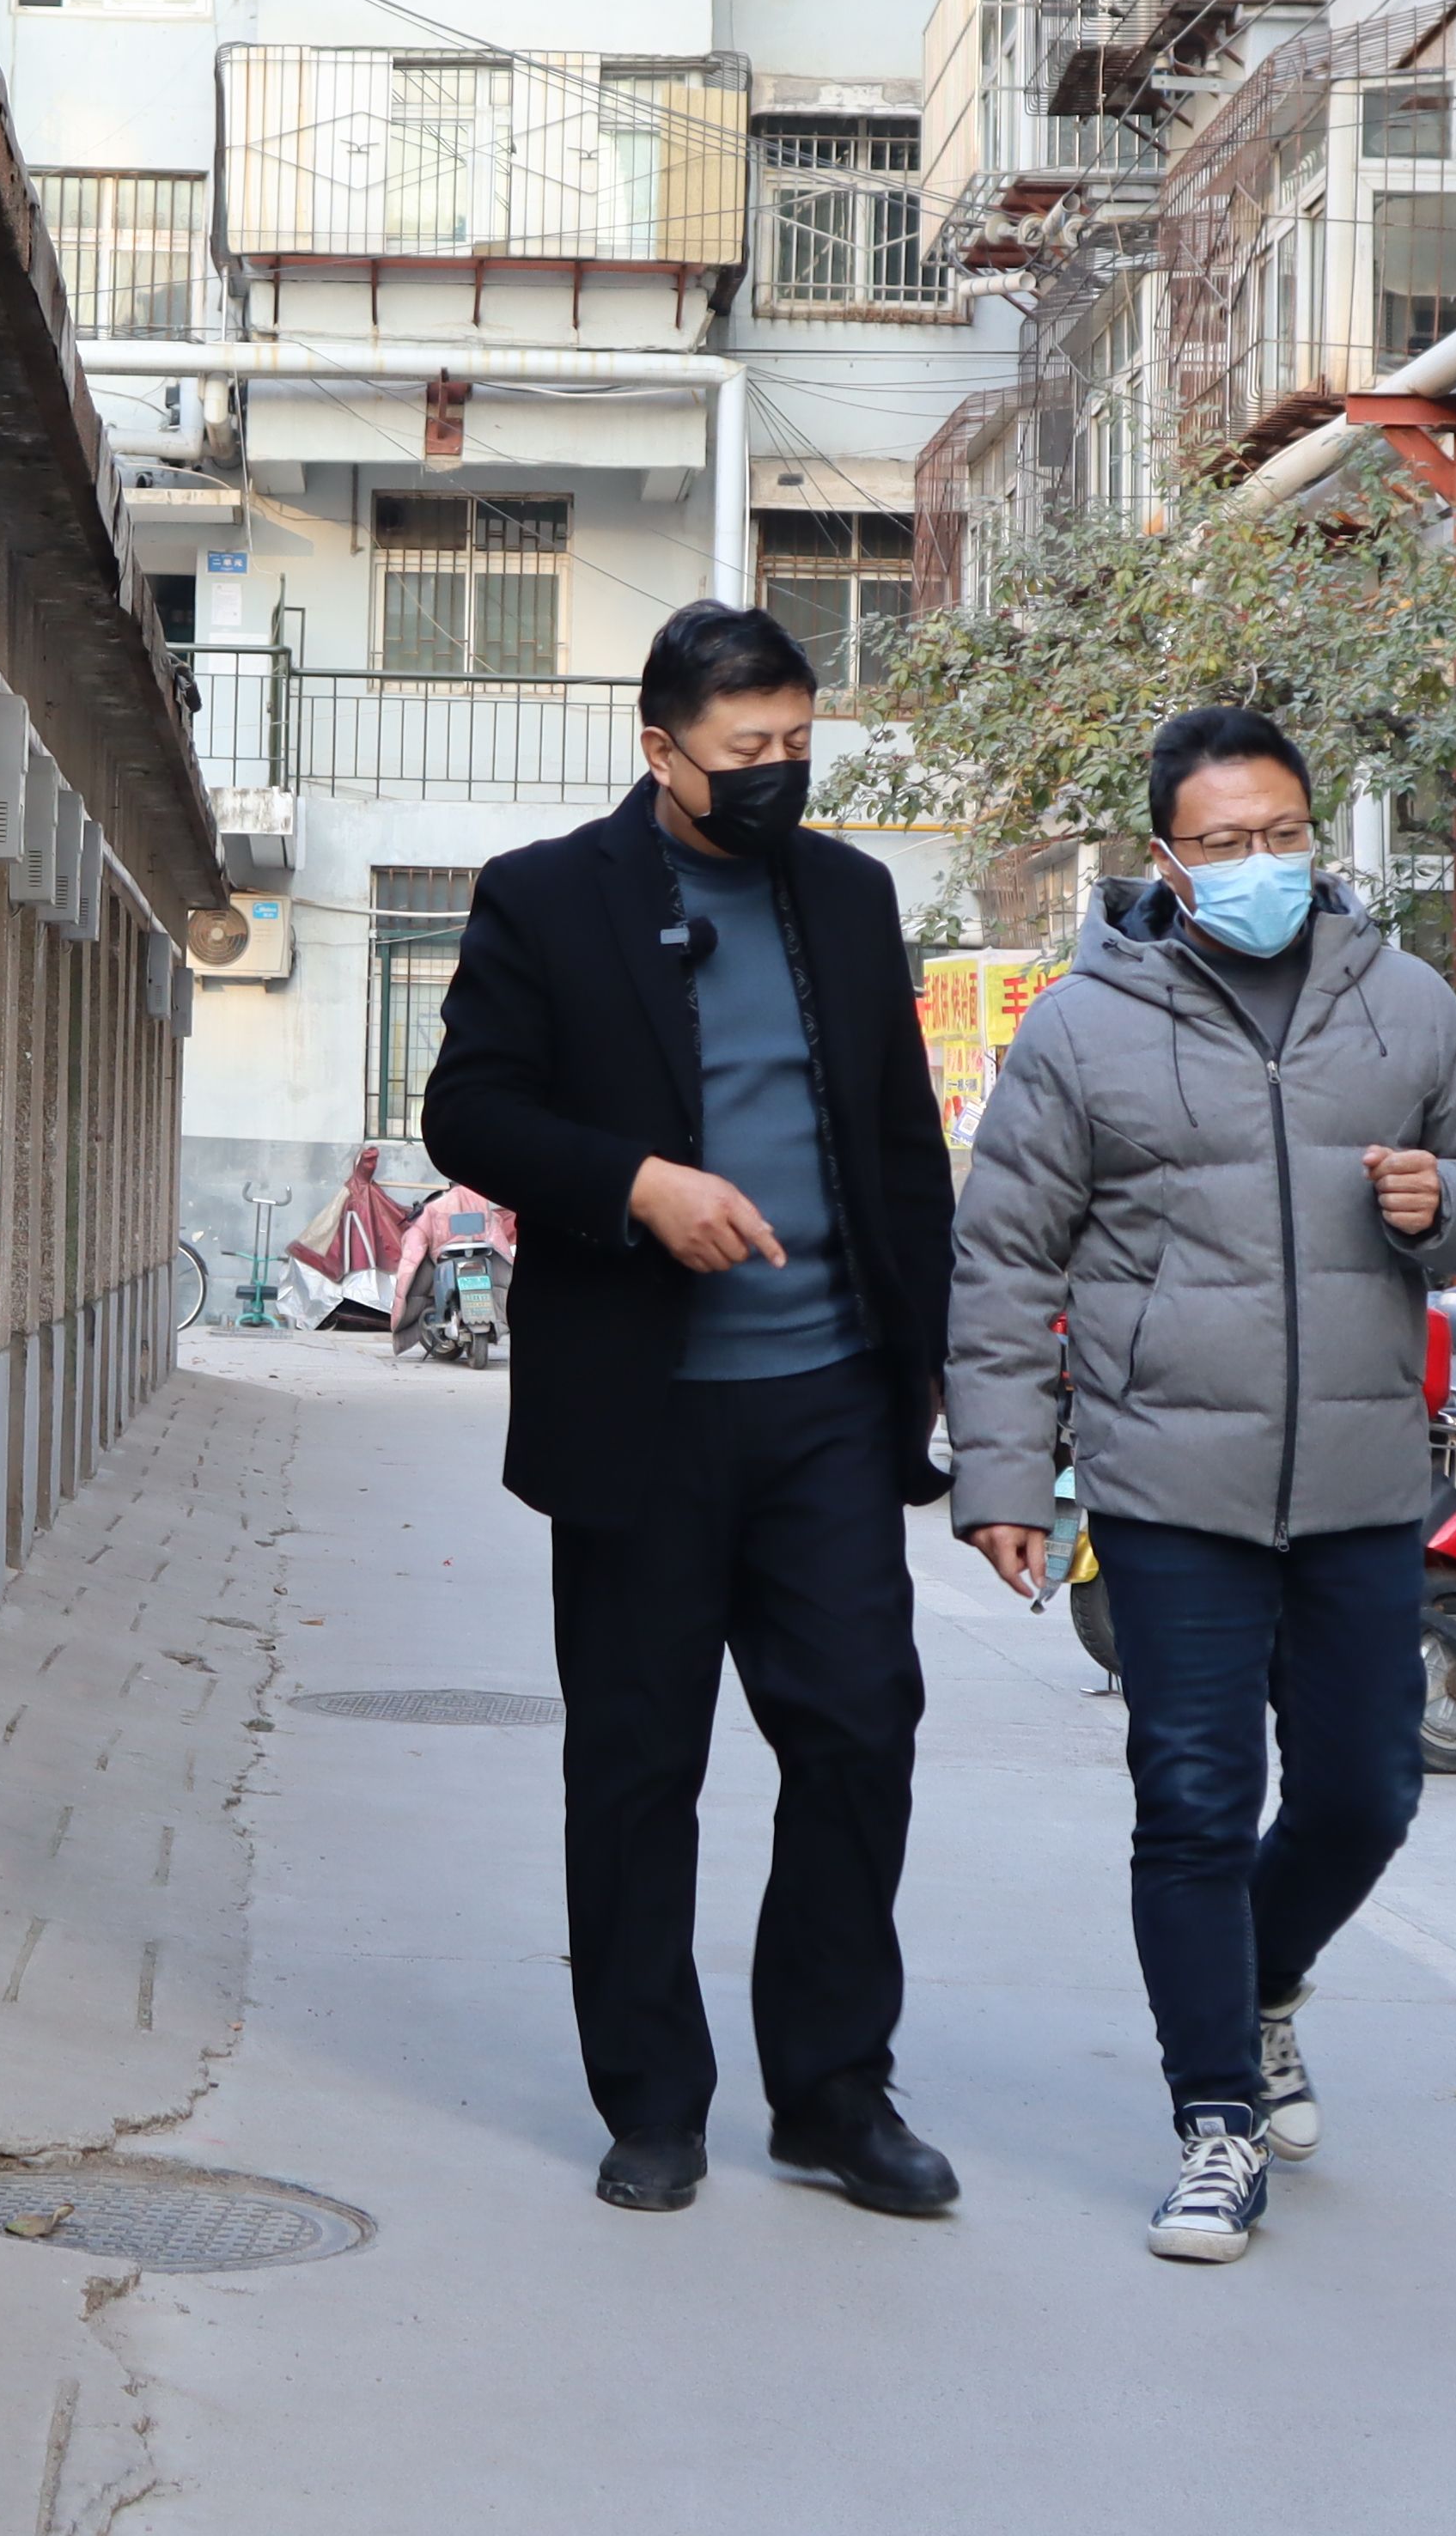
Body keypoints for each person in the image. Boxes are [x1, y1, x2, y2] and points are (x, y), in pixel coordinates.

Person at [947, 705, 1456, 2263]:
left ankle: (1264, 1988)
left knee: (1368, 1792)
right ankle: (1217, 2118)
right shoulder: (1083, 1028)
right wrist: (1007, 1473)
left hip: (1356, 1476)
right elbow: (1004, 1262)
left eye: (1283, 834)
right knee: (1196, 1806)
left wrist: (1448, 1203)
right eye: (1224, 844)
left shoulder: (1404, 1005)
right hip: (1165, 1481)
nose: (1260, 864)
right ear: (1166, 860)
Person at [421, 602, 959, 2219]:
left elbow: (902, 1151)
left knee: (862, 1734)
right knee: (642, 1765)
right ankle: (653, 2102)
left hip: (826, 1408)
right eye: (747, 754)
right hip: (643, 1418)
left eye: (800, 745)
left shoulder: (853, 902)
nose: (780, 776)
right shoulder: (545, 901)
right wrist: (638, 1185)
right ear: (660, 750)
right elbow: (468, 1112)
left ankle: (834, 2094)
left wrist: (925, 1373)